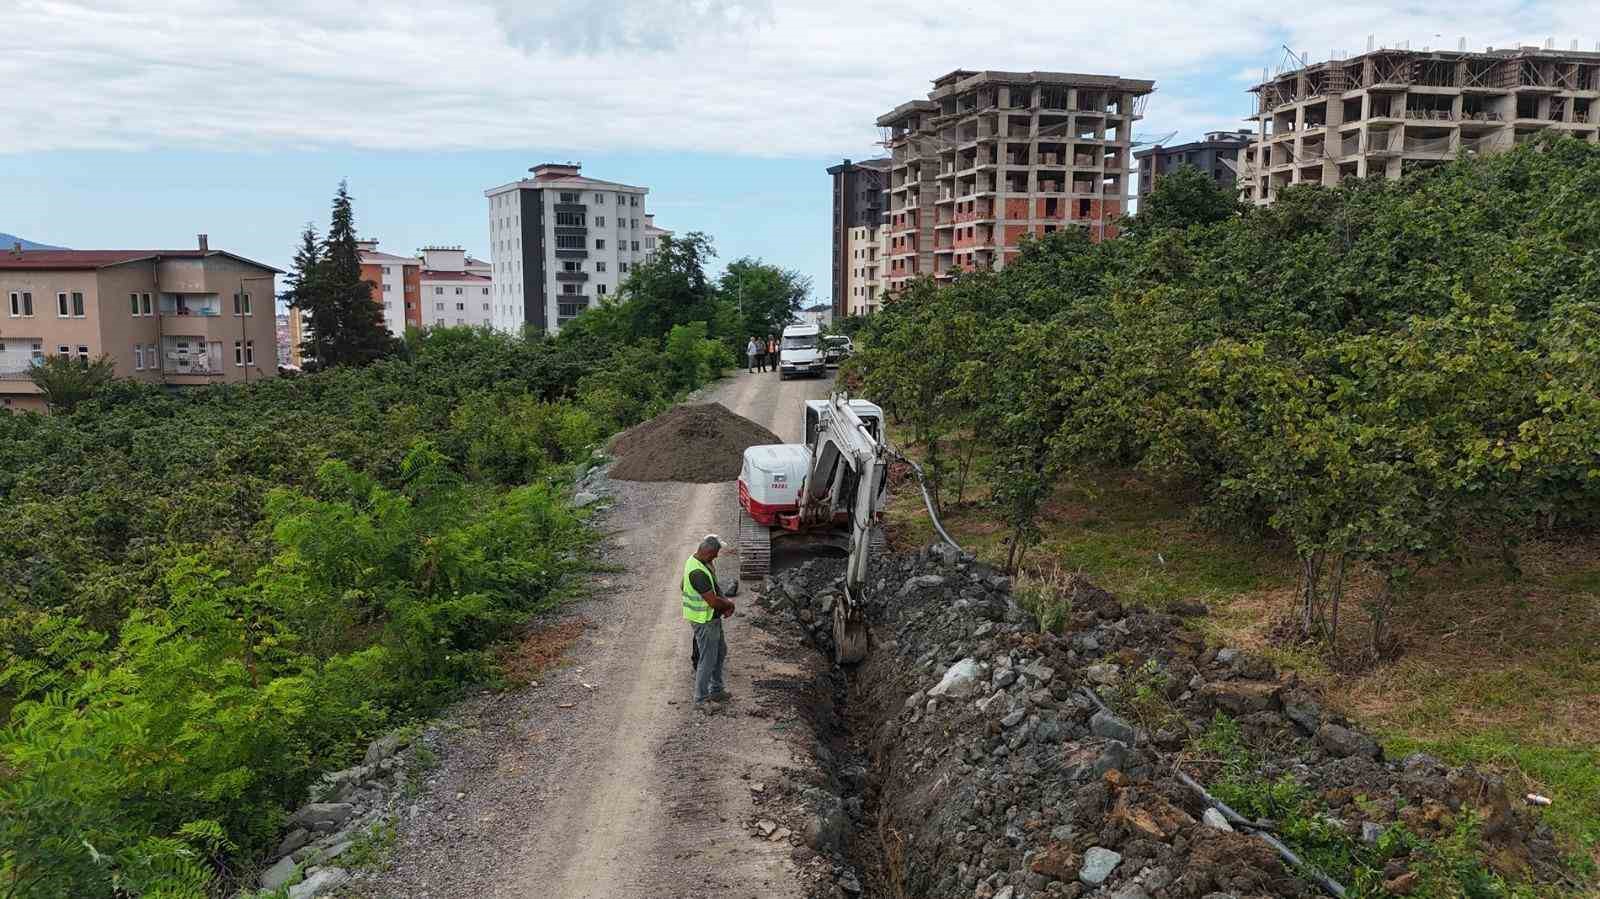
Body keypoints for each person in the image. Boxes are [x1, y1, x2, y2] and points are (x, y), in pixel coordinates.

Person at [682, 534, 735, 706]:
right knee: (708, 659)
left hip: (711, 620)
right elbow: (712, 602)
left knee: (720, 653)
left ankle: (717, 690)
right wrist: (728, 604)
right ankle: (701, 699)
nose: (717, 556)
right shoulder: (697, 573)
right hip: (704, 621)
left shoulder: (697, 561)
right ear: (708, 551)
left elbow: (682, 585)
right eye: (715, 553)